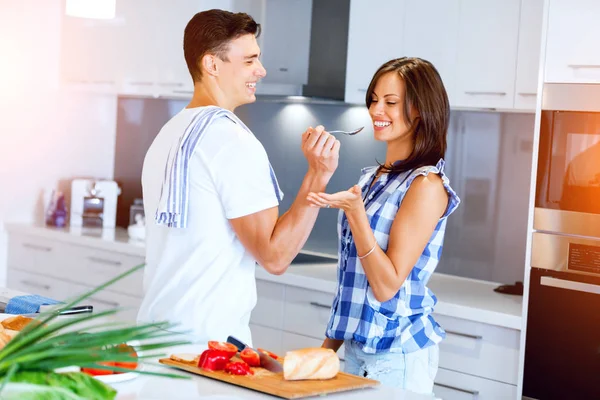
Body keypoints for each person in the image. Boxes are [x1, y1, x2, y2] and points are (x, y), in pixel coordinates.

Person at [138, 9, 340, 348]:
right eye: (249, 61)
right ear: (212, 65)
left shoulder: (169, 133)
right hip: (206, 352)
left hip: (155, 339)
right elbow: (275, 257)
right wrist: (318, 175)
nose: (260, 71)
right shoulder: (231, 139)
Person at [307, 57, 460, 394]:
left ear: (420, 110)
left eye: (391, 102)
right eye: (374, 99)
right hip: (356, 350)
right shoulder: (372, 178)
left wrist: (356, 215)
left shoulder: (426, 185)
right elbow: (353, 285)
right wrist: (325, 352)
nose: (377, 109)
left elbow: (386, 286)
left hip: (398, 355)